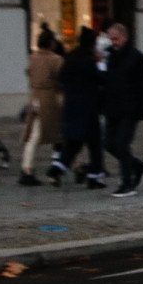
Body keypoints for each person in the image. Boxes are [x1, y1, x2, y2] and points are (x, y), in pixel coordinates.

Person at [49, 26, 106, 189]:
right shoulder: (89, 60)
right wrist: (101, 64)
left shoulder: (70, 57)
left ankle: (57, 168)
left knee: (73, 143)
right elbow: (100, 79)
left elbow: (61, 78)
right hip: (88, 108)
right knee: (95, 144)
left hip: (72, 105)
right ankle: (94, 177)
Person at [102, 22, 143, 197]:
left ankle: (127, 183)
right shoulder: (110, 56)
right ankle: (138, 166)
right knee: (108, 143)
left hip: (130, 108)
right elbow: (107, 82)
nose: (113, 42)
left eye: (115, 39)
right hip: (112, 108)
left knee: (122, 144)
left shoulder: (137, 58)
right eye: (111, 39)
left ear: (124, 37)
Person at [18, 29, 63, 186]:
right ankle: (63, 166)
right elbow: (60, 78)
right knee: (57, 133)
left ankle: (27, 167)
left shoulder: (33, 57)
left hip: (35, 96)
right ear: (51, 43)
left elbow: (29, 73)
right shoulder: (55, 59)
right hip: (49, 98)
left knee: (34, 135)